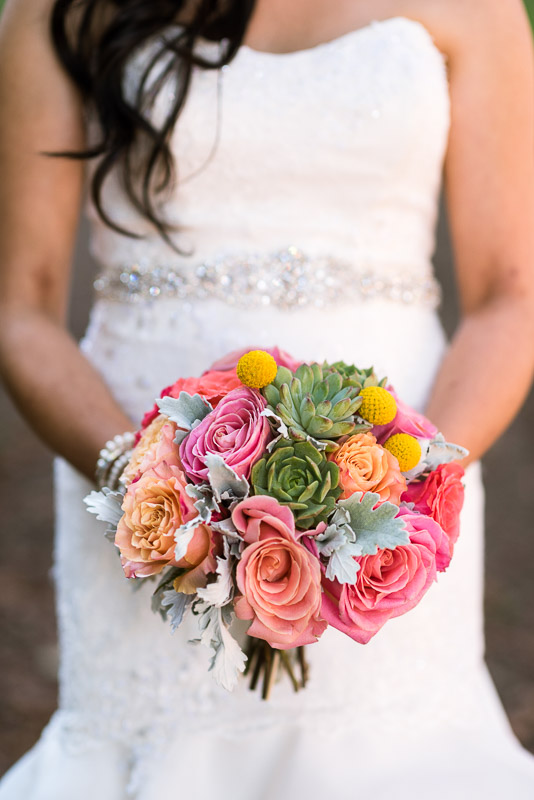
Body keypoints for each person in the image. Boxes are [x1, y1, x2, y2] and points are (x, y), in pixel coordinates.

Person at [1, 0, 534, 796]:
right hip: (140, 489)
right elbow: (22, 308)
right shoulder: (55, 9)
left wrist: (408, 492)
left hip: (400, 480)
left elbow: (510, 296)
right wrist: (145, 488)